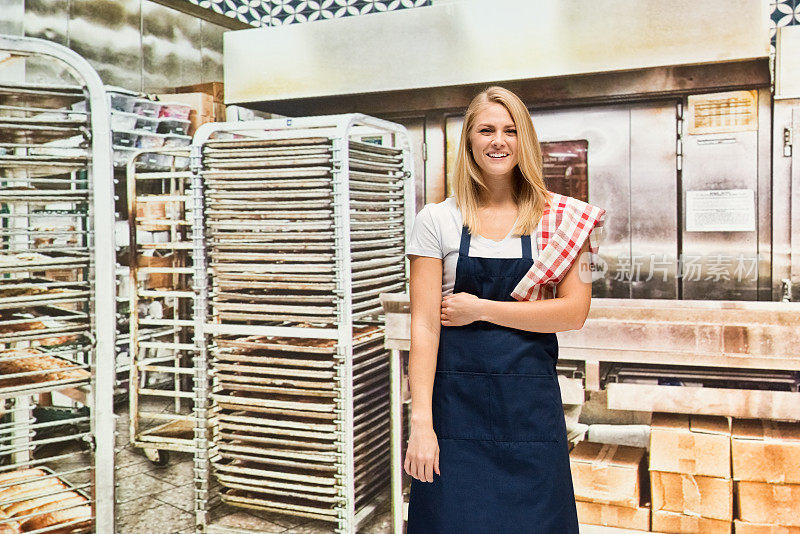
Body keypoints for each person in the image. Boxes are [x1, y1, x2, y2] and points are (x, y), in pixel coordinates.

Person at [404, 86, 602, 533]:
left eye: (511, 130)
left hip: (529, 413)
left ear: (524, 140)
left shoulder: (561, 220)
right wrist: (421, 423)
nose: (499, 140)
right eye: (486, 130)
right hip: (455, 412)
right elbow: (424, 326)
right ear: (469, 141)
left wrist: (481, 309)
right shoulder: (437, 220)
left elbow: (573, 313)